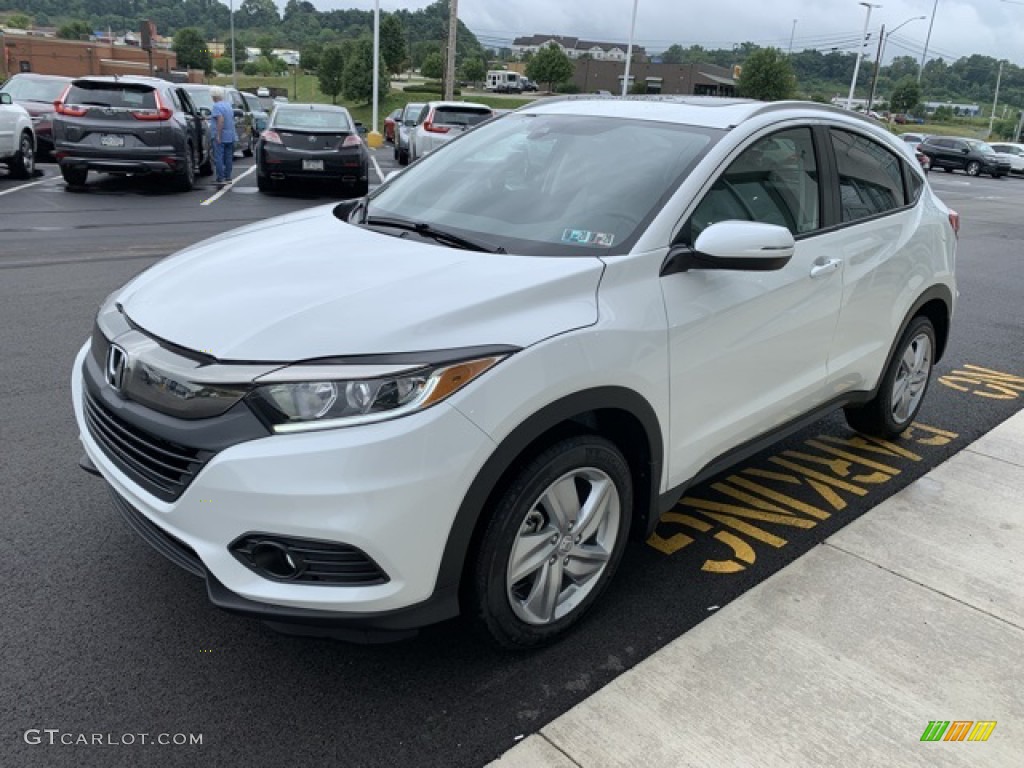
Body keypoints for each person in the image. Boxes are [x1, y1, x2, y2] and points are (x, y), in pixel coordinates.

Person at [209, 86, 237, 186]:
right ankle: (228, 176)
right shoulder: (228, 105)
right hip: (231, 135)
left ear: (214, 96)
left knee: (219, 157)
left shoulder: (216, 106)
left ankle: (220, 178)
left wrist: (218, 135)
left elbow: (220, 120)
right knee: (228, 157)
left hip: (222, 135)